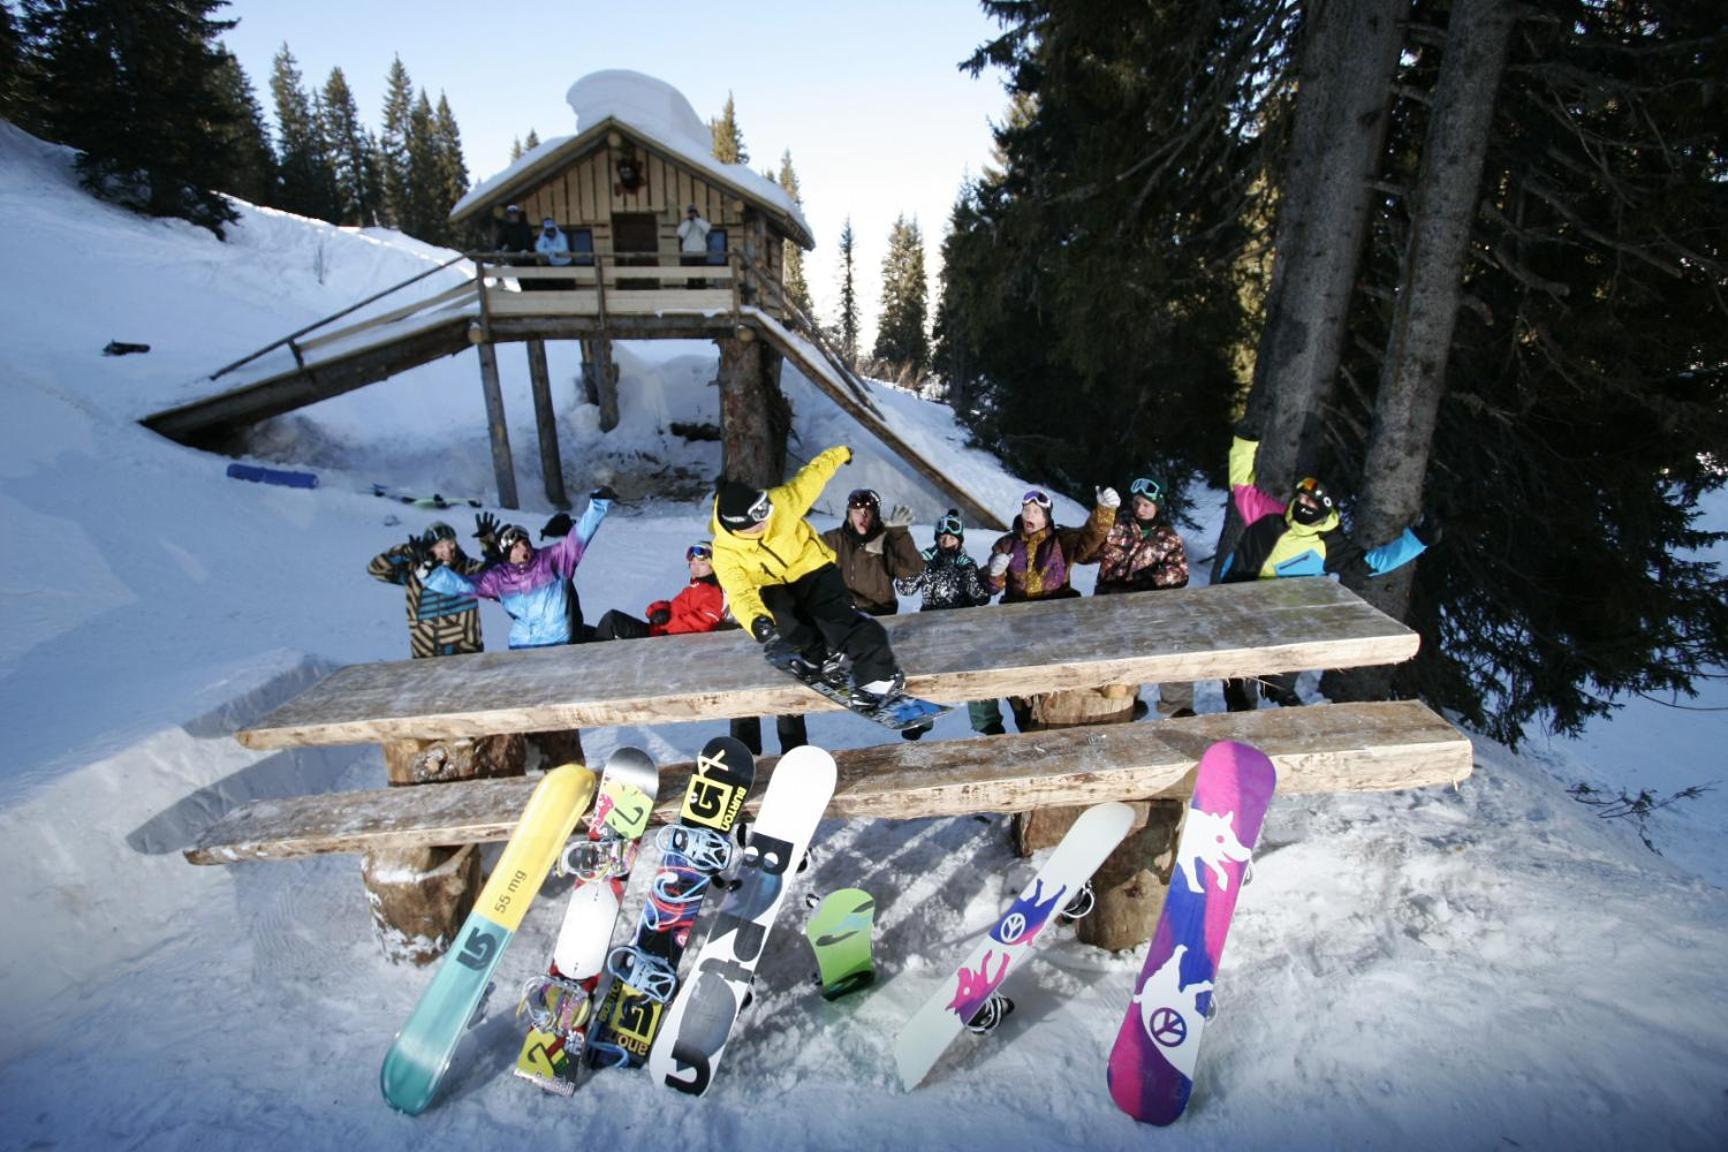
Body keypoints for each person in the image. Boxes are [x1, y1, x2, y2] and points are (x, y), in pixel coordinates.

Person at [1220, 424, 1439, 711]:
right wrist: (1245, 444)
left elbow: (1371, 564)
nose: (1304, 504)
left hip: (1282, 611)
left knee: (1287, 649)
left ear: (1324, 508)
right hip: (1235, 594)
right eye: (1301, 498)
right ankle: (1237, 703)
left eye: (1312, 502)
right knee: (1232, 661)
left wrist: (1417, 541)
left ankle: (1280, 694)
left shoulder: (1329, 543)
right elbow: (1242, 486)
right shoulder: (1269, 515)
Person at [710, 446, 908, 714]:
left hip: (812, 567)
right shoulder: (725, 552)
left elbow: (813, 476)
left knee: (834, 619)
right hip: (774, 584)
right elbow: (740, 592)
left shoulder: (781, 502)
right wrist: (756, 620)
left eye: (767, 517)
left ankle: (880, 675)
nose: (766, 524)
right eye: (757, 525)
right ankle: (817, 656)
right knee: (784, 620)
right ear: (738, 528)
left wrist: (839, 454)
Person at [983, 486, 1119, 731]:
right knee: (1019, 686)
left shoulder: (1061, 540)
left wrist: (1104, 511)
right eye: (1026, 510)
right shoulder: (1006, 545)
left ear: (1046, 517)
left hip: (1056, 619)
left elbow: (1090, 541)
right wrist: (994, 573)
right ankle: (1026, 723)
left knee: (1055, 682)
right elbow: (991, 588)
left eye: (1036, 511)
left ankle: (1059, 722)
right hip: (1018, 622)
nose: (1029, 516)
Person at [423, 487, 613, 651]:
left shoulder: (552, 559)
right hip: (522, 647)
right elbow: (464, 585)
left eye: (525, 543)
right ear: (507, 555)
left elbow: (580, 535)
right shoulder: (499, 578)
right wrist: (431, 574)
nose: (524, 549)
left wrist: (597, 505)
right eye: (516, 547)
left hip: (558, 642)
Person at [894, 509, 1005, 737]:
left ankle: (987, 720)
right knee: (919, 668)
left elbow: (980, 598)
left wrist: (969, 571)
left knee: (977, 666)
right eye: (942, 538)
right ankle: (918, 719)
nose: (947, 542)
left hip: (962, 626)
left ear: (959, 540)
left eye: (952, 538)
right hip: (930, 625)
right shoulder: (927, 562)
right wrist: (913, 565)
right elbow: (904, 588)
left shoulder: (966, 564)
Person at [1094, 476, 1195, 719]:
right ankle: (1124, 703)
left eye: (1147, 505)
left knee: (1172, 648)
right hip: (1111, 603)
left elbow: (1180, 572)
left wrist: (1152, 581)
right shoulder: (1117, 526)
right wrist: (1101, 515)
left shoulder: (1168, 537)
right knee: (1118, 657)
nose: (1140, 509)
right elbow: (1088, 549)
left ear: (1157, 506)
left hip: (1151, 606)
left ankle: (1178, 707)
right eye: (1137, 503)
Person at [367, 521, 490, 659]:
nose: (447, 550)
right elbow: (376, 568)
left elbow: (494, 576)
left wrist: (489, 546)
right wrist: (407, 551)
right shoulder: (412, 571)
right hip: (425, 656)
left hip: (466, 653)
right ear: (429, 548)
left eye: (451, 543)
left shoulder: (467, 567)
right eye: (440, 546)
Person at [821, 488, 924, 616]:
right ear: (849, 514)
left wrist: (899, 535)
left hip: (879, 612)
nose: (863, 517)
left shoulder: (886, 539)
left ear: (875, 515)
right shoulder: (835, 539)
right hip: (844, 612)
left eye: (868, 512)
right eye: (857, 512)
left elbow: (911, 570)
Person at [592, 541, 726, 641]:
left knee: (612, 619)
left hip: (662, 639)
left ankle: (594, 660)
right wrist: (657, 609)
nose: (695, 568)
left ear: (714, 567)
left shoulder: (712, 592)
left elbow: (704, 622)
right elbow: (673, 607)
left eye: (702, 564)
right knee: (586, 630)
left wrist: (667, 622)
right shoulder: (695, 587)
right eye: (693, 563)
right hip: (657, 632)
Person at [535, 216, 574, 291]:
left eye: (551, 229)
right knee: (557, 288)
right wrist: (548, 251)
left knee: (569, 287)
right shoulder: (543, 235)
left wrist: (550, 250)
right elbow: (539, 248)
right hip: (554, 264)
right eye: (548, 230)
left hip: (566, 264)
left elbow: (563, 248)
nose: (550, 232)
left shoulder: (561, 235)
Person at [678, 204, 711, 288]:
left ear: (696, 213)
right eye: (690, 212)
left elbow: (707, 229)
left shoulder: (701, 222)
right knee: (690, 276)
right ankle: (690, 292)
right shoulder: (685, 223)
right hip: (689, 253)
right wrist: (689, 221)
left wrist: (696, 220)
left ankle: (703, 291)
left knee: (701, 275)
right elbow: (681, 233)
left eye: (694, 212)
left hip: (700, 253)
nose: (692, 214)